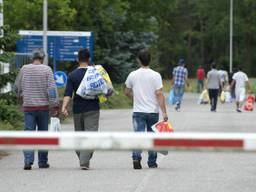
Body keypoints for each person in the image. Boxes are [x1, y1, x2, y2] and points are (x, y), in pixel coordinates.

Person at [14, 49, 59, 170]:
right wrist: (55, 105)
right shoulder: (47, 69)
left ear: (32, 58)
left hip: (28, 107)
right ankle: (43, 162)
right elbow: (51, 89)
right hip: (43, 107)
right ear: (42, 58)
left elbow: (17, 87)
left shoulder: (24, 69)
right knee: (43, 134)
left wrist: (20, 96)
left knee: (28, 133)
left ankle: (28, 161)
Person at [125, 49, 168, 169]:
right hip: (152, 112)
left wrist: (135, 97)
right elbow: (159, 94)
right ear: (150, 60)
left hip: (138, 111)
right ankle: (152, 162)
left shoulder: (132, 75)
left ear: (138, 60)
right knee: (152, 136)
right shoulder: (156, 75)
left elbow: (126, 92)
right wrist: (164, 112)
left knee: (138, 135)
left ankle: (136, 157)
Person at [62, 48, 100, 170]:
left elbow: (68, 94)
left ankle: (83, 158)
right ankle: (85, 159)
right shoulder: (95, 73)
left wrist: (64, 107)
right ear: (89, 59)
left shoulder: (72, 75)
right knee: (91, 135)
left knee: (79, 135)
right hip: (93, 108)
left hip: (78, 109)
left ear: (77, 59)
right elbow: (105, 90)